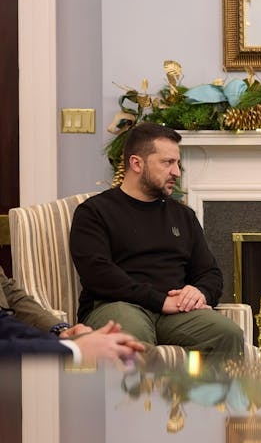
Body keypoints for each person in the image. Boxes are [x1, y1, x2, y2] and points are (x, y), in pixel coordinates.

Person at [69, 122, 244, 358]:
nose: (177, 172)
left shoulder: (183, 215)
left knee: (227, 332)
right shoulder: (95, 212)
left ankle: (206, 396)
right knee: (133, 333)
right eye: (167, 162)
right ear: (136, 163)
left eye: (177, 163)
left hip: (174, 313)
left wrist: (199, 292)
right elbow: (98, 273)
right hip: (116, 305)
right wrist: (160, 300)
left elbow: (210, 272)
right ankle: (145, 396)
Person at [1, 266, 144, 363]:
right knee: (119, 359)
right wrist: (74, 350)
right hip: (15, 362)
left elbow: (10, 298)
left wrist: (60, 331)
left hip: (25, 340)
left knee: (133, 351)